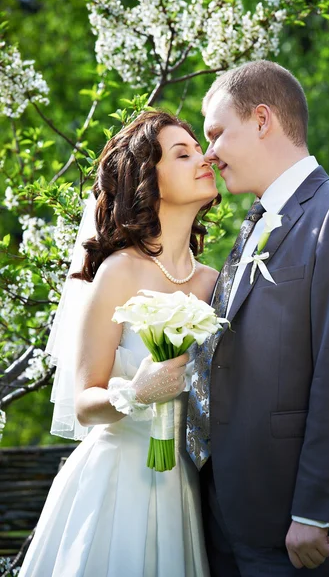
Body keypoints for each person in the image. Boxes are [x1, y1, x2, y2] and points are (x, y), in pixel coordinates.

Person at [187, 60, 329, 576]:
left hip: (292, 527)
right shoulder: (253, 224)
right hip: (226, 516)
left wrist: (312, 511)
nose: (208, 153)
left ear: (261, 120)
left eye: (216, 133)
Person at [19, 110, 220, 577]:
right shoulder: (119, 271)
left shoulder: (214, 283)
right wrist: (136, 391)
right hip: (115, 483)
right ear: (149, 180)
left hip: (183, 486)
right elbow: (85, 400)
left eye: (199, 147)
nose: (204, 157)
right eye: (182, 153)